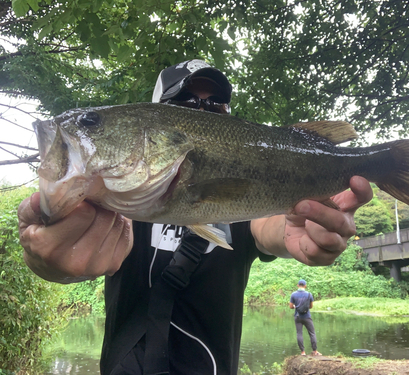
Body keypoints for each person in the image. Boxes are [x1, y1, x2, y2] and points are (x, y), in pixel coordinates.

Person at [17, 60, 373, 374]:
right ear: (157, 119)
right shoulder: (116, 209)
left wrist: (303, 228)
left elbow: (274, 228)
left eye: (215, 104)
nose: (202, 110)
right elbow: (78, 258)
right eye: (184, 103)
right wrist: (52, 262)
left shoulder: (245, 214)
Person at [289, 279, 320, 356]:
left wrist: (295, 306)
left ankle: (303, 352)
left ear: (298, 285)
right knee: (312, 333)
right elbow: (311, 306)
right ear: (305, 286)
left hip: (297, 316)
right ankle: (315, 351)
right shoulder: (309, 294)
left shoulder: (293, 294)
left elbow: (290, 307)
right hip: (307, 317)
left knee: (299, 333)